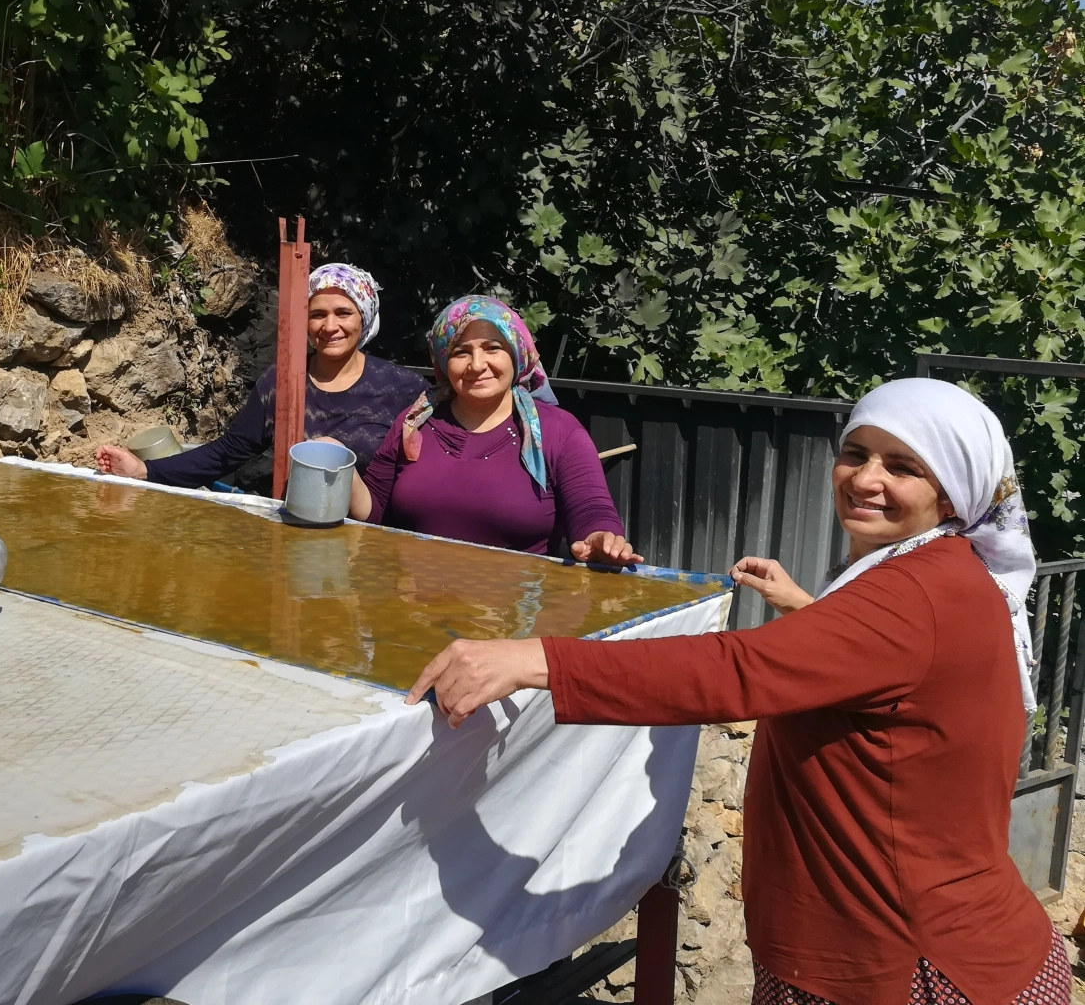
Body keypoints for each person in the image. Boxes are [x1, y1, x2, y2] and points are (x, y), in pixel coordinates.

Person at [406, 378, 1067, 1005]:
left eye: (902, 467)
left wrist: (536, 660)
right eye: (855, 454)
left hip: (898, 967)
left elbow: (735, 671)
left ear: (949, 493)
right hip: (953, 939)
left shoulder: (908, 593)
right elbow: (886, 675)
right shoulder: (948, 570)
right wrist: (808, 613)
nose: (866, 479)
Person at [344, 295, 639, 564]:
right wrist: (341, 467)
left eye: (492, 348)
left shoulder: (559, 432)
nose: (476, 364)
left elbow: (591, 511)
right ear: (444, 362)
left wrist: (601, 539)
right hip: (416, 612)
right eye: (461, 352)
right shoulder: (414, 424)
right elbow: (375, 513)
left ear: (517, 353)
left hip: (512, 617)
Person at [95, 263, 427, 488]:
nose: (329, 327)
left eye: (343, 313)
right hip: (298, 539)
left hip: (376, 541)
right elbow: (228, 452)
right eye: (317, 315)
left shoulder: (403, 389)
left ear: (365, 317)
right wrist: (146, 471)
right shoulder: (281, 383)